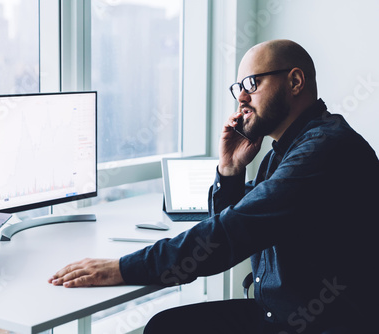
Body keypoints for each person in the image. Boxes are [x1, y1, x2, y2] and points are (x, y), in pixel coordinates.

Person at [48, 39, 379, 333]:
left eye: (252, 82)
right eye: (238, 88)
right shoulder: (281, 153)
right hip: (279, 315)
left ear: (294, 81)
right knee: (166, 325)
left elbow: (231, 232)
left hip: (323, 322)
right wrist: (230, 170)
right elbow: (238, 226)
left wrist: (121, 268)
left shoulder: (324, 149)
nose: (242, 98)